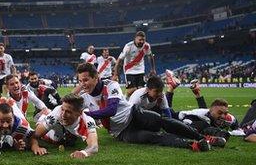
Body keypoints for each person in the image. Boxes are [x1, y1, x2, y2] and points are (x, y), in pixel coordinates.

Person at [77, 62, 224, 152]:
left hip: (133, 114)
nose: (82, 84)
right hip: (122, 132)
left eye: (85, 80)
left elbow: (112, 109)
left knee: (163, 121)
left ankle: (204, 137)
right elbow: (69, 109)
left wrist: (88, 114)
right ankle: (192, 144)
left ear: (96, 77)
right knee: (153, 137)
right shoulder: (83, 97)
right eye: (80, 81)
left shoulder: (111, 85)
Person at [30, 94, 99, 158]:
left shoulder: (87, 121)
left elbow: (94, 147)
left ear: (79, 113)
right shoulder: (56, 114)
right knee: (56, 139)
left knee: (69, 141)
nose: (63, 115)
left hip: (67, 130)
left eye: (68, 112)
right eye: (62, 109)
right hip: (51, 122)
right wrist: (35, 146)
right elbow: (35, 135)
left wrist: (84, 153)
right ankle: (43, 117)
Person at [112, 31, 156, 97]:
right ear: (135, 39)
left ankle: (137, 106)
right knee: (130, 91)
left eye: (143, 40)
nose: (142, 41)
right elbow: (119, 60)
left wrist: (153, 69)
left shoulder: (146, 46)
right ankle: (125, 100)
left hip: (140, 70)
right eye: (140, 40)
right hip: (129, 70)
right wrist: (115, 74)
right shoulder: (128, 46)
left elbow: (150, 56)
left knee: (141, 91)